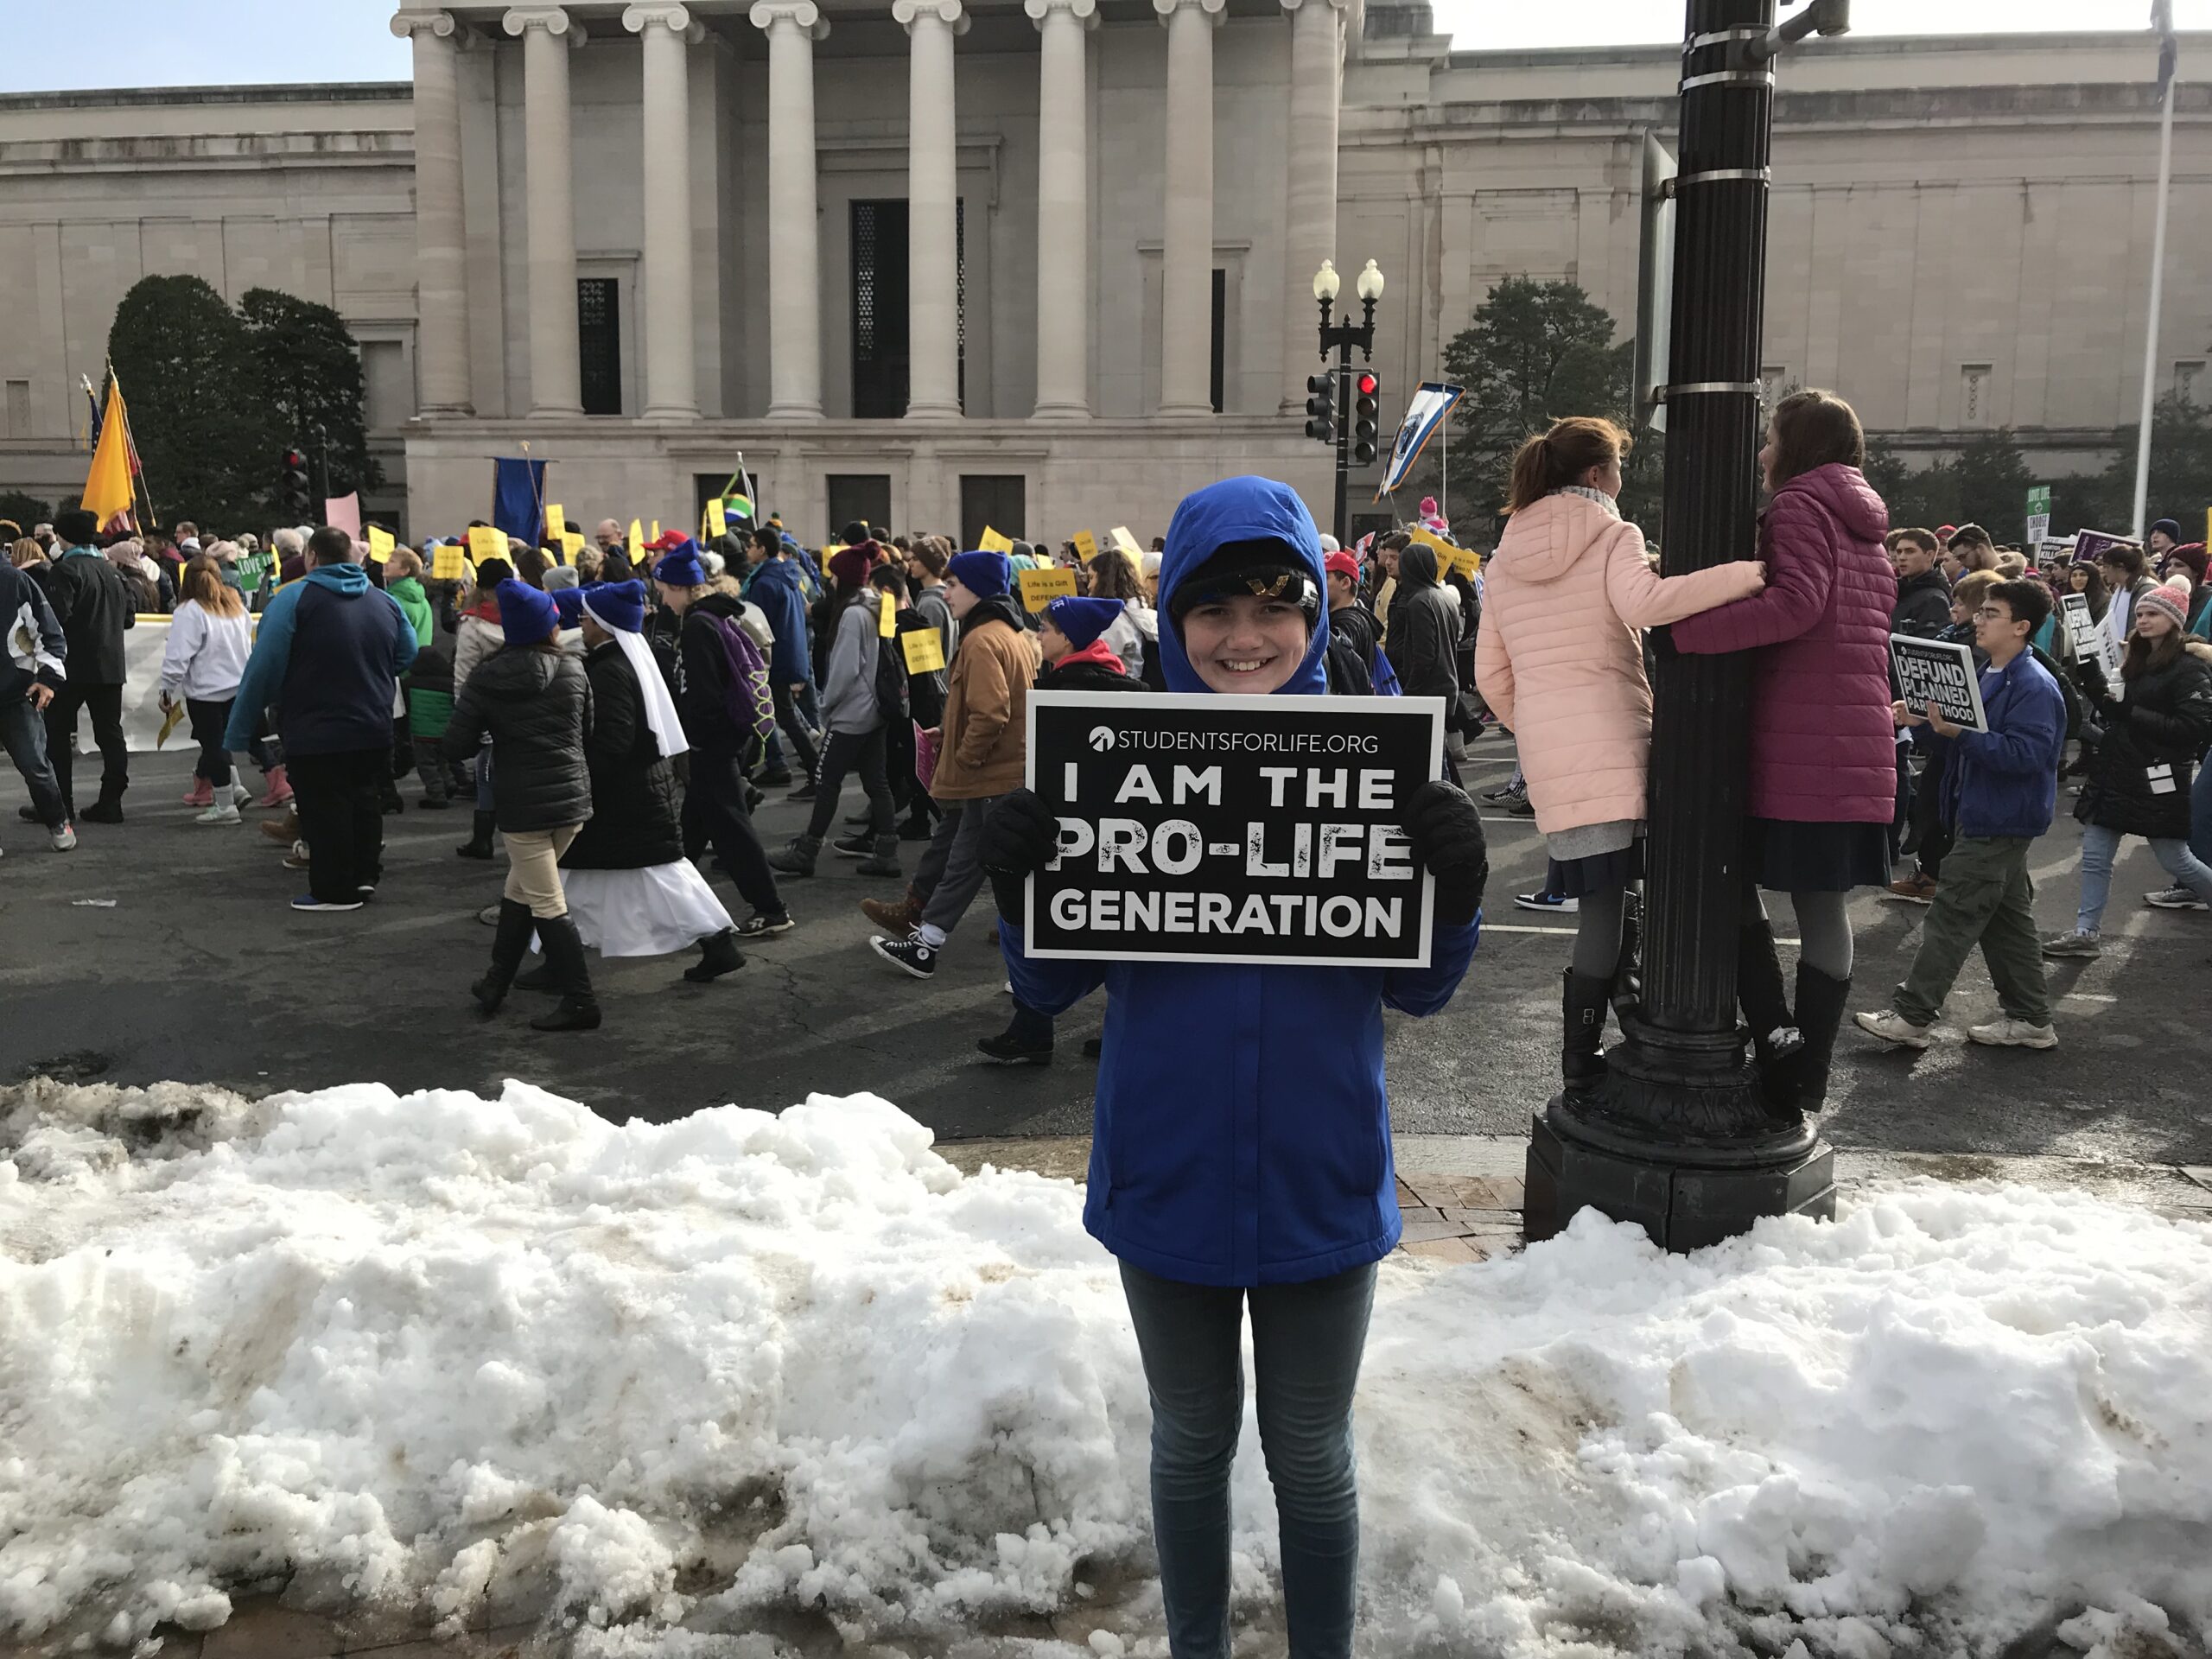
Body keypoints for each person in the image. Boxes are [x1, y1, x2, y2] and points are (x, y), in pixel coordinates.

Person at [977, 476, 1488, 1659]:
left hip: (1320, 1173)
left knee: (1313, 1456)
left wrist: (1451, 894)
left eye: (1276, 609)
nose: (1245, 638)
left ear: (1314, 619)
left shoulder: (1373, 770)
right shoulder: (1113, 763)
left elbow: (1418, 989)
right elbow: (1048, 993)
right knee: (1191, 1442)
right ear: (1176, 618)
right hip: (1171, 1174)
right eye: (1215, 611)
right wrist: (1021, 891)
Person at [1475, 416, 1764, 1091]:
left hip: (1553, 747)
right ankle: (1643, 1026)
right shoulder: (1613, 533)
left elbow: (1491, 675)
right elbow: (1649, 602)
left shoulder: (1505, 554)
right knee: (1655, 888)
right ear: (1598, 475)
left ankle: (1578, 1060)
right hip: (1620, 735)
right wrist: (1748, 573)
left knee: (1599, 902)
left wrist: (1540, 725)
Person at [1668, 391, 1897, 1114]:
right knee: (1823, 906)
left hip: (1801, 741)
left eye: (1768, 439)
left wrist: (1685, 635)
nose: (1761, 454)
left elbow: (1798, 604)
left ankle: (1776, 1038)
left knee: (1725, 877)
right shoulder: (1866, 522)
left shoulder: (1799, 505)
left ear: (1796, 447)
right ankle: (1809, 1071)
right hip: (1854, 743)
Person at [1854, 578, 2066, 1050]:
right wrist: (1925, 725)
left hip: (1998, 817)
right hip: (1988, 814)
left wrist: (1958, 733)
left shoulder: (2032, 684)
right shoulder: (1995, 671)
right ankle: (2031, 1020)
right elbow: (1960, 740)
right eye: (1982, 611)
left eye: (1992, 613)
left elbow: (2026, 756)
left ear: (2022, 627)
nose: (1979, 619)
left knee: (1951, 916)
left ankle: (1912, 1017)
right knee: (2006, 921)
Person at [224, 525, 418, 912]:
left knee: (323, 806)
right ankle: (364, 877)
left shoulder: (292, 598)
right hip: (373, 722)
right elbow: (407, 651)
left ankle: (333, 890)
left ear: (311, 557)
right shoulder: (383, 601)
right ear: (351, 557)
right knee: (365, 799)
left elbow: (263, 668)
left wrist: (239, 728)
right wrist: (371, 672)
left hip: (314, 725)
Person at [866, 550, 1039, 977]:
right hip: (1003, 771)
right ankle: (926, 943)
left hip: (992, 774)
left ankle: (942, 948)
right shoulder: (1007, 633)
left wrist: (965, 757)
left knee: (984, 865)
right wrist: (955, 732)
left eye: (955, 584)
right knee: (966, 859)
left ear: (977, 588)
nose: (947, 591)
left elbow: (992, 712)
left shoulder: (982, 640)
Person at [445, 580, 601, 1028]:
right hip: (572, 800)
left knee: (548, 903)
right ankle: (496, 982)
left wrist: (491, 734)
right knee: (522, 890)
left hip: (521, 805)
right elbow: (586, 732)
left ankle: (581, 1001)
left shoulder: (488, 677)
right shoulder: (574, 670)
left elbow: (455, 746)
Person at [2039, 578, 2212, 954]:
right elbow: (2115, 704)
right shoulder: (2136, 660)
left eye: (2153, 614)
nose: (2144, 620)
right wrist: (2091, 676)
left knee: (2178, 861)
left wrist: (2129, 712)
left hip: (2157, 778)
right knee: (2096, 858)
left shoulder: (2188, 667)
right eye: (2140, 614)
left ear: (2176, 620)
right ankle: (2086, 932)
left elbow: (2194, 726)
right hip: (2117, 772)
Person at [653, 543, 797, 938]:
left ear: (682, 588)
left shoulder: (699, 625)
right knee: (692, 829)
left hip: (711, 745)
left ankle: (770, 908)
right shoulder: (714, 616)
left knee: (731, 829)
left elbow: (704, 693)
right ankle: (669, 902)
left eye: (665, 589)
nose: (663, 598)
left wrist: (695, 742)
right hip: (721, 741)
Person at [769, 542, 903, 878]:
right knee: (877, 781)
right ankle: (887, 852)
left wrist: (827, 706)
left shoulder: (852, 615)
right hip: (877, 709)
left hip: (852, 712)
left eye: (832, 576)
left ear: (842, 580)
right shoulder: (878, 606)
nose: (828, 582)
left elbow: (844, 670)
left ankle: (808, 850)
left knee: (827, 780)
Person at [1889, 568, 2003, 904]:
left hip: (1973, 764)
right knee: (1931, 800)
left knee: (1943, 811)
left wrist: (1947, 725)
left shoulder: (2016, 673)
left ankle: (1938, 878)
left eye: (1965, 605)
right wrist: (1923, 721)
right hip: (1951, 748)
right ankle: (1928, 873)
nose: (1955, 611)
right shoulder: (1954, 636)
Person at [30, 508, 136, 824]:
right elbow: (129, 618)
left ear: (63, 537)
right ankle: (111, 801)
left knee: (57, 735)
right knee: (110, 734)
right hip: (110, 666)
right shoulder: (114, 572)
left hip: (71, 667)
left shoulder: (64, 570)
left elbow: (55, 619)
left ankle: (60, 804)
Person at [158, 557, 255, 824]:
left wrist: (166, 688)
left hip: (206, 691)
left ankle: (225, 804)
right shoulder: (235, 605)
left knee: (212, 747)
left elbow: (178, 656)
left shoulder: (189, 611)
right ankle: (234, 790)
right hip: (237, 685)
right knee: (221, 745)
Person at [0, 544, 74, 852]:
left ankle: (58, 820)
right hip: (18, 688)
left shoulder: (14, 581)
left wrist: (48, 680)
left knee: (35, 766)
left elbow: (49, 632)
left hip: (16, 693)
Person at [745, 522, 819, 789]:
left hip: (773, 658)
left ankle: (814, 771)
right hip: (787, 654)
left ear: (762, 550)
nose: (747, 550)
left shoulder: (764, 583)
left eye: (751, 546)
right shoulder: (788, 576)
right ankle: (762, 768)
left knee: (778, 715)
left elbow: (756, 627)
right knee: (776, 715)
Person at [452, 556, 512, 859]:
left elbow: (463, 674)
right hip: (522, 706)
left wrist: (463, 715)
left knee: (486, 773)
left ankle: (483, 838)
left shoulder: (473, 624)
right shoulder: (523, 614)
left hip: (487, 708)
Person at [2099, 540, 2157, 656]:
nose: (2103, 570)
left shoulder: (2146, 589)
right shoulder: (2120, 589)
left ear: (2120, 567)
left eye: (2106, 566)